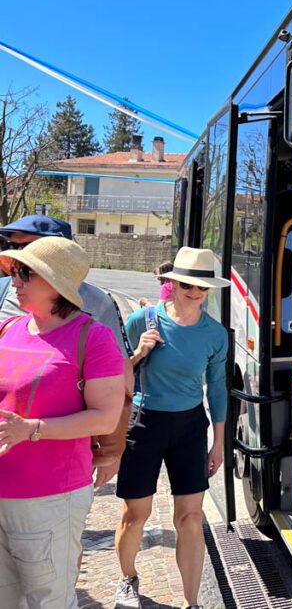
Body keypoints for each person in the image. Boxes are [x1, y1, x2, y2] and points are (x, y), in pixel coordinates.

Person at [0, 237, 126, 608]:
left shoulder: (93, 338)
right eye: (14, 271)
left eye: (24, 273)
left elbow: (105, 416)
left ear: (53, 284)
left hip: (49, 495)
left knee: (49, 600)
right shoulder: (10, 330)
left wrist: (33, 429)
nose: (14, 280)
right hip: (4, 490)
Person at [114, 247, 229, 609]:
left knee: (191, 518)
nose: (194, 292)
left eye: (202, 287)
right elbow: (114, 376)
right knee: (136, 516)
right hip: (146, 423)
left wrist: (219, 443)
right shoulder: (144, 321)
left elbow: (219, 386)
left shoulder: (215, 333)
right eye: (187, 284)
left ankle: (192, 602)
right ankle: (128, 578)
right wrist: (137, 354)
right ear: (173, 283)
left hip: (190, 426)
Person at [0, 215, 133, 487]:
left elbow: (120, 378)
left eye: (31, 250)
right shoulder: (5, 294)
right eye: (14, 248)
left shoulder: (97, 304)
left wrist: (111, 449)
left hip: (54, 475)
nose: (20, 261)